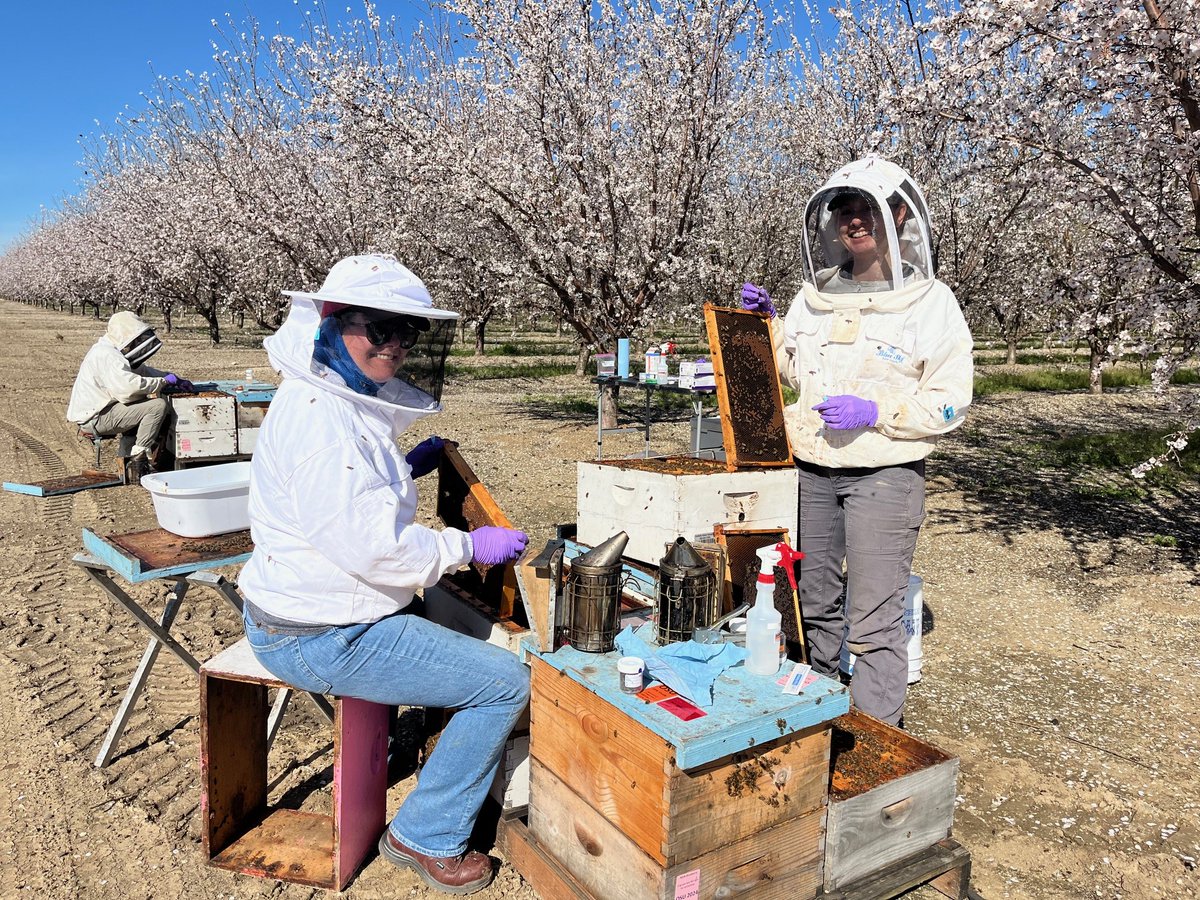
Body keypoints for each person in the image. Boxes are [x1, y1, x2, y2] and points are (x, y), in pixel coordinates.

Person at [237, 254, 530, 895]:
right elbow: (376, 548)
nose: (395, 345)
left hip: (315, 610)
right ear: (332, 322)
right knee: (505, 682)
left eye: (408, 332)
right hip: (322, 633)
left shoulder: (328, 398)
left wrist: (404, 465)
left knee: (442, 632)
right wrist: (469, 545)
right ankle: (426, 834)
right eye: (380, 329)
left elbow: (350, 485)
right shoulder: (322, 425)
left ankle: (401, 748)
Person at [742, 156, 973, 726]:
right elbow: (796, 374)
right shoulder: (814, 297)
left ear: (899, 216)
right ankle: (818, 717)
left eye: (867, 209)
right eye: (844, 210)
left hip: (884, 475)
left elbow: (950, 400)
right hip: (812, 469)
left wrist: (877, 411)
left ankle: (875, 736)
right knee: (812, 601)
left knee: (872, 616)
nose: (854, 221)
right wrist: (769, 329)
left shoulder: (931, 302)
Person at [66, 311, 194, 474]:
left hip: (99, 412)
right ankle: (138, 460)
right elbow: (129, 388)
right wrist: (164, 382)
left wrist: (172, 377)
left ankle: (125, 464)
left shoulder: (110, 350)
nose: (137, 343)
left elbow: (142, 372)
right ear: (125, 334)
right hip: (96, 417)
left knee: (139, 405)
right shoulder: (108, 355)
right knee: (157, 406)